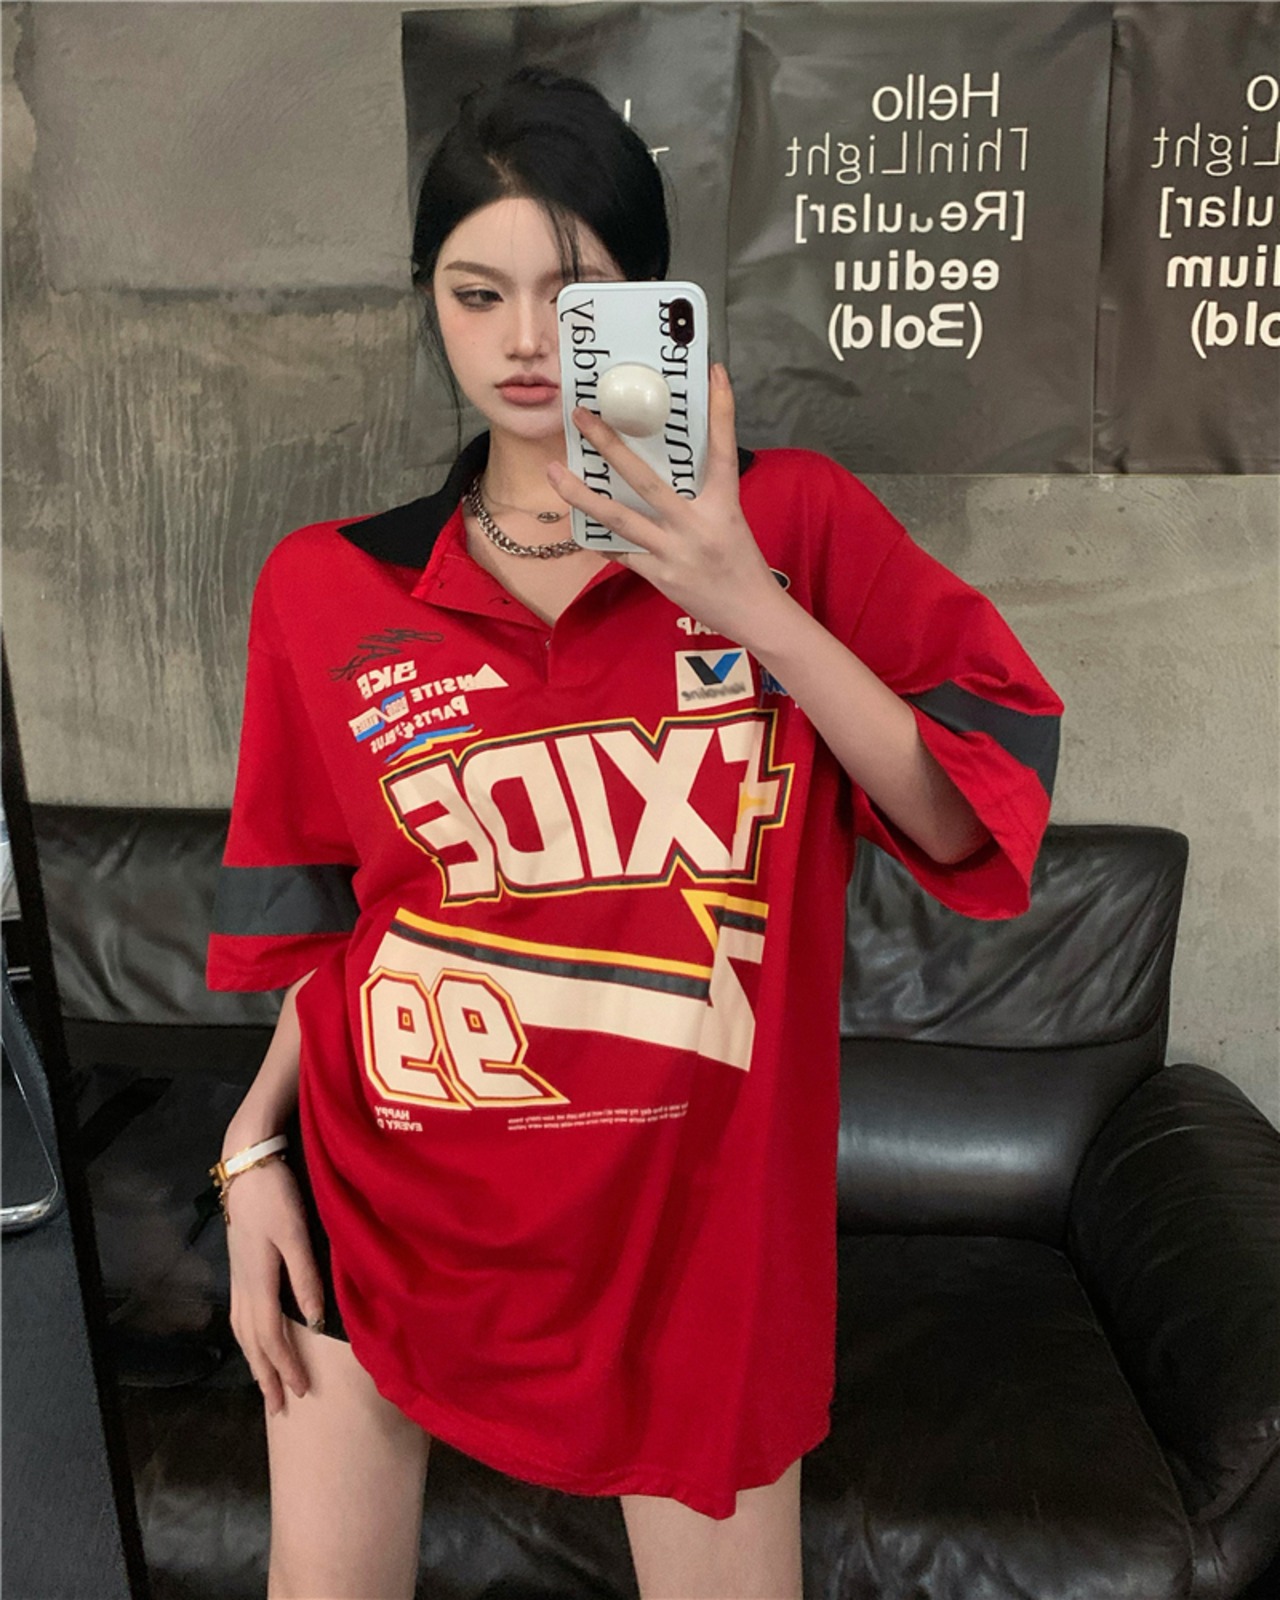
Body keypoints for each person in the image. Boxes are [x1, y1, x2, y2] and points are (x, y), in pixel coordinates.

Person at [207, 67, 1062, 1600]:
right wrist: (251, 1146)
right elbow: (340, 926)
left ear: (654, 301)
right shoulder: (325, 588)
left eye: (575, 291)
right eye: (478, 293)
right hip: (387, 1196)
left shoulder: (796, 527)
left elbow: (965, 808)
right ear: (432, 303)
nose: (525, 340)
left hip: (695, 1243)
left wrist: (747, 603)